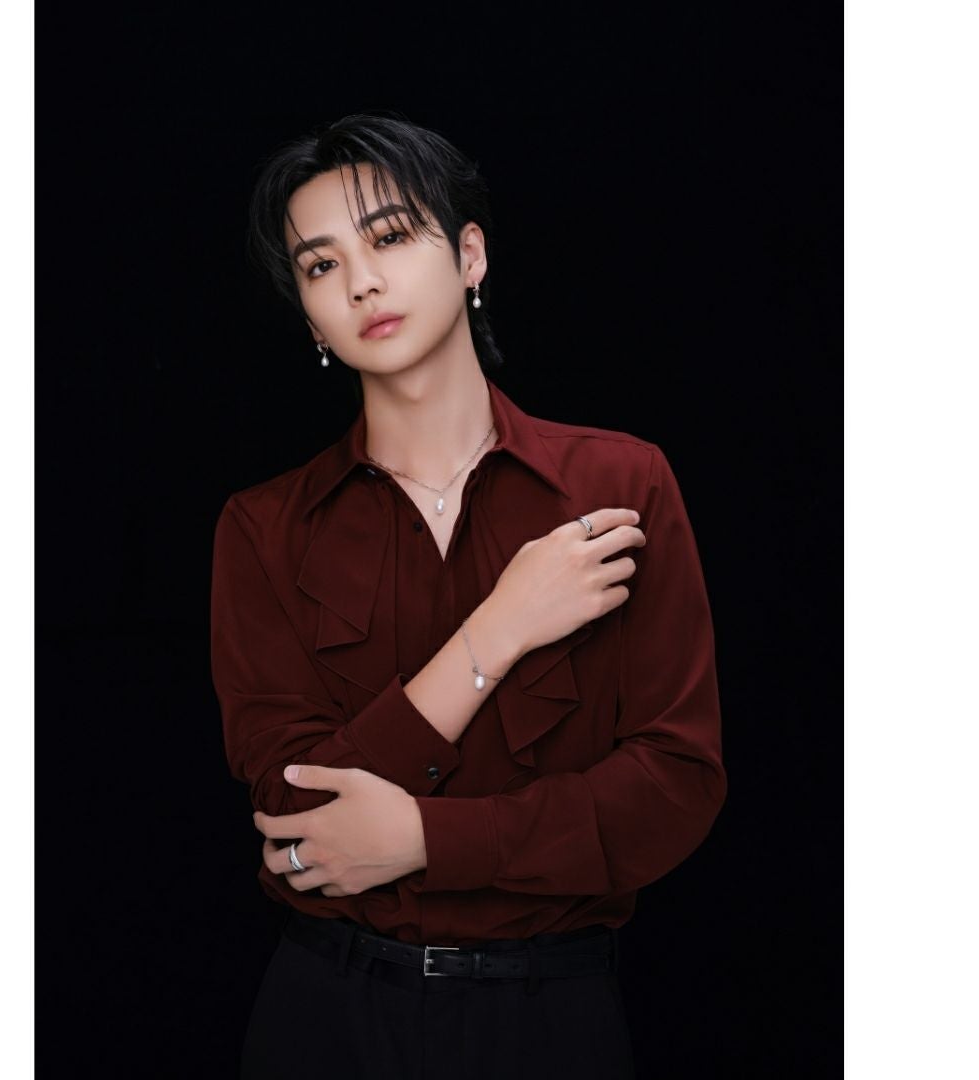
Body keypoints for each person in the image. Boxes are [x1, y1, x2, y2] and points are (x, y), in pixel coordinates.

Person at [210, 111, 727, 1079]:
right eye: (321, 265)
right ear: (310, 316)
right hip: (327, 1019)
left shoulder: (622, 484)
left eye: (391, 236)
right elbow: (294, 815)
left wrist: (427, 840)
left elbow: (675, 789)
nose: (362, 281)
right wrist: (502, 625)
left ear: (470, 254)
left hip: (552, 1025)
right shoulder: (263, 528)